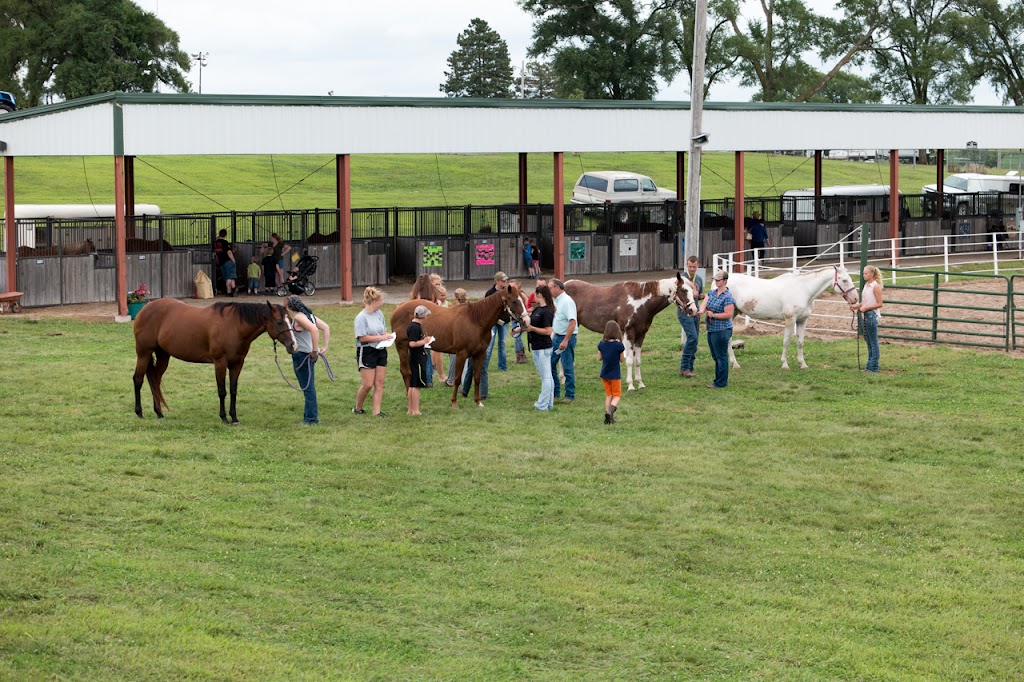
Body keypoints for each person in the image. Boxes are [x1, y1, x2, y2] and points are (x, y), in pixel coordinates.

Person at [460, 271, 510, 400]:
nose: (505, 283)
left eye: (505, 281)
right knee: (481, 358)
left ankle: (475, 390)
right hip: (491, 326)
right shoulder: (490, 293)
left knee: (500, 345)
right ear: (497, 281)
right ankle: (471, 390)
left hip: (502, 322)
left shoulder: (506, 293)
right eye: (503, 281)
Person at [286, 295, 330, 426]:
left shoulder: (299, 317)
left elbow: (315, 330)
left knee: (308, 388)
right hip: (307, 356)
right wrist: (325, 346)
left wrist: (315, 350)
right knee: (308, 387)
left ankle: (311, 419)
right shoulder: (308, 316)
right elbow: (326, 327)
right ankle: (308, 416)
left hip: (302, 356)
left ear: (289, 306)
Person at [354, 286, 390, 417]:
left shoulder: (379, 314)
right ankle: (358, 407)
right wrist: (381, 337)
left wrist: (387, 335)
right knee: (368, 384)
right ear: (374, 301)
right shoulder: (361, 318)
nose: (382, 303)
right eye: (380, 301)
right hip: (367, 351)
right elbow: (362, 338)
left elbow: (382, 330)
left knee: (379, 383)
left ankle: (377, 412)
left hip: (381, 349)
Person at [699, 270, 736, 389]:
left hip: (722, 330)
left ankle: (721, 382)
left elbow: (728, 314)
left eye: (718, 280)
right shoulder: (712, 293)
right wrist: (699, 311)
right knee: (716, 355)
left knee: (721, 356)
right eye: (715, 280)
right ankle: (719, 379)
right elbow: (704, 303)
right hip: (712, 329)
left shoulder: (728, 297)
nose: (716, 281)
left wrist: (713, 315)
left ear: (725, 281)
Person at [525, 284, 555, 411]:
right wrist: (519, 330)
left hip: (543, 348)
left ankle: (542, 404)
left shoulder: (547, 312)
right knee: (547, 377)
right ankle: (548, 403)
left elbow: (548, 331)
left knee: (545, 377)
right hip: (537, 347)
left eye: (535, 293)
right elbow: (530, 325)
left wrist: (532, 329)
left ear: (539, 295)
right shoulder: (538, 310)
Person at [549, 278, 578, 403]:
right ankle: (555, 392)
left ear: (557, 288)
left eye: (550, 287)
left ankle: (569, 395)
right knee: (550, 364)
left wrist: (566, 340)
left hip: (566, 337)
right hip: (556, 336)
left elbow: (572, 322)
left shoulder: (567, 301)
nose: (548, 290)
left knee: (567, 366)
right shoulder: (556, 301)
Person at [678, 256, 705, 378]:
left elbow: (697, 296)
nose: (692, 269)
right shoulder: (682, 278)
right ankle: (684, 367)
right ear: (687, 265)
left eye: (694, 267)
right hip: (684, 312)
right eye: (690, 266)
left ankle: (690, 366)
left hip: (696, 311)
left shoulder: (699, 279)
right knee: (692, 337)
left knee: (695, 339)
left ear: (698, 265)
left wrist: (701, 296)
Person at [855, 265, 884, 373]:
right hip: (866, 314)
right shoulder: (867, 285)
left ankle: (873, 366)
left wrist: (866, 308)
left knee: (873, 342)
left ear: (871, 274)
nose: (864, 275)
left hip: (871, 315)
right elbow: (865, 301)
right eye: (863, 273)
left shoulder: (875, 286)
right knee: (869, 341)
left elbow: (879, 303)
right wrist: (857, 306)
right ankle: (870, 365)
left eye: (866, 273)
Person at [406, 305, 434, 416]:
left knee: (413, 384)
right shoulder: (415, 327)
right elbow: (412, 343)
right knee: (416, 385)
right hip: (416, 358)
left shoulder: (413, 326)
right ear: (423, 316)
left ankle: (410, 410)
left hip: (414, 357)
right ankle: (416, 410)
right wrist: (425, 341)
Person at [597, 320, 626, 424]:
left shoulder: (601, 344)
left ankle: (608, 417)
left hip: (604, 374)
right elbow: (622, 359)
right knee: (616, 395)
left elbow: (599, 357)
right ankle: (610, 412)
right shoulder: (619, 346)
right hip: (615, 374)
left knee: (609, 395)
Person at [510, 279, 530, 364]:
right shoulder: (510, 295)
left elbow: (528, 305)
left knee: (517, 337)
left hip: (521, 319)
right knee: (516, 338)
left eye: (513, 286)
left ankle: (521, 356)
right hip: (514, 319)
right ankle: (519, 356)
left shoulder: (522, 294)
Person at [213, 229, 236, 296]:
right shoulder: (225, 243)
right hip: (228, 261)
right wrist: (233, 260)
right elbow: (229, 252)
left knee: (226, 277)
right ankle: (232, 289)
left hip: (221, 262)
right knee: (230, 277)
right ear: (225, 235)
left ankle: (229, 291)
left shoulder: (215, 243)